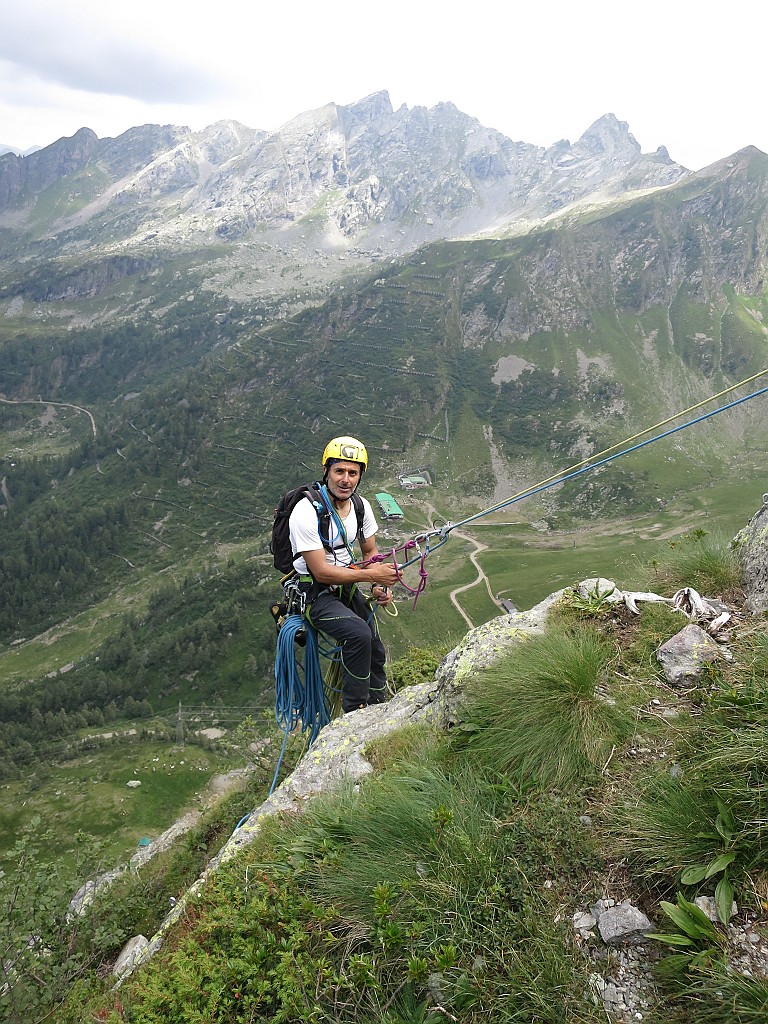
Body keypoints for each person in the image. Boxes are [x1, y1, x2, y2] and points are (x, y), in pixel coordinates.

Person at [288, 436, 399, 712]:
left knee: (374, 646)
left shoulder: (360, 507)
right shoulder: (305, 511)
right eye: (339, 471)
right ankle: (355, 710)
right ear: (326, 471)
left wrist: (377, 586)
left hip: (344, 587)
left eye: (353, 473)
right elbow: (321, 572)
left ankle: (378, 704)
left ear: (360, 476)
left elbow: (370, 552)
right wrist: (370, 577)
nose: (345, 479)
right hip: (314, 593)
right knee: (359, 634)